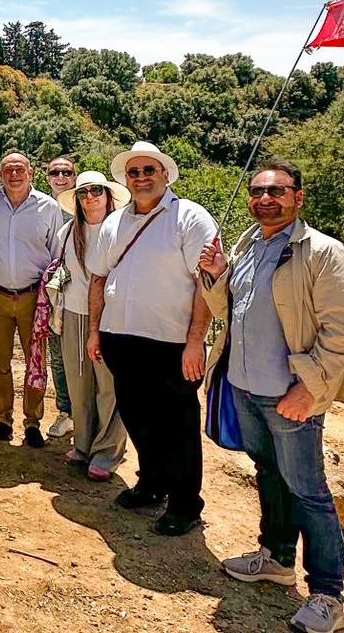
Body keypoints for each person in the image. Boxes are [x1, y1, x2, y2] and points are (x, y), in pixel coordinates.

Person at [200, 159, 344, 633]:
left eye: (276, 191)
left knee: (309, 491)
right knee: (269, 475)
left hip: (291, 395)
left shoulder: (324, 252)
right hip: (246, 386)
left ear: (298, 197)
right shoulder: (248, 244)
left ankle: (328, 595)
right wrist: (216, 275)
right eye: (258, 192)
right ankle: (275, 558)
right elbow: (230, 311)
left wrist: (308, 387)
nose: (265, 199)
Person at [87, 141, 218, 537]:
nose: (141, 178)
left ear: (165, 174)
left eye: (148, 170)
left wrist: (195, 342)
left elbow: (205, 283)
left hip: (171, 343)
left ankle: (185, 503)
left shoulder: (190, 217)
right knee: (137, 417)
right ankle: (152, 483)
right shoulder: (114, 222)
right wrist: (95, 331)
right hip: (119, 337)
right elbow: (98, 279)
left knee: (177, 425)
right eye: (134, 172)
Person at [0, 152, 65, 447]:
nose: (14, 174)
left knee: (35, 363)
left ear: (31, 172)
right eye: (8, 170)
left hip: (34, 297)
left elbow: (56, 254)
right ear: (0, 174)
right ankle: (3, 419)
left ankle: (32, 422)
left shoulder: (48, 207)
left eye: (20, 169)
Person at [53, 171, 129, 480]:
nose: (90, 197)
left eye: (96, 190)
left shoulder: (121, 230)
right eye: (83, 192)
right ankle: (83, 444)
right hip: (74, 314)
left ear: (108, 195)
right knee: (79, 382)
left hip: (111, 318)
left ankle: (107, 452)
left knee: (109, 386)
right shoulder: (67, 232)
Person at [41, 154, 78, 436]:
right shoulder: (41, 208)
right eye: (55, 172)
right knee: (57, 355)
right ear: (47, 178)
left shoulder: (86, 204)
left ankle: (89, 413)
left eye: (66, 172)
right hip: (53, 294)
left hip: (83, 292)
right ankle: (66, 411)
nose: (61, 177)